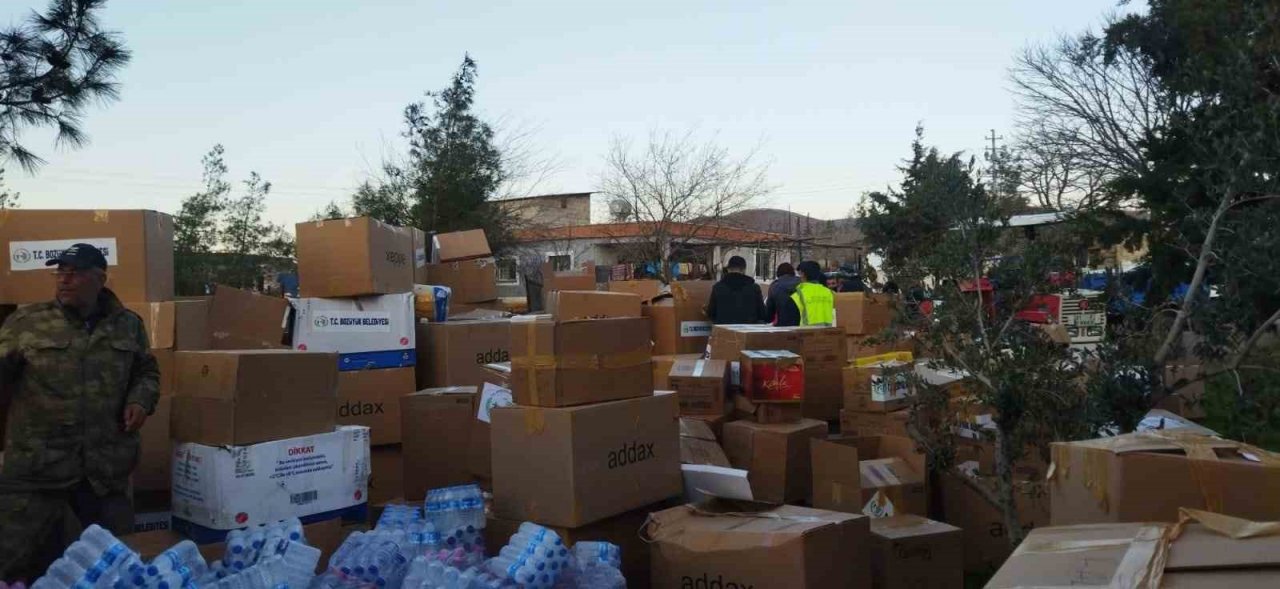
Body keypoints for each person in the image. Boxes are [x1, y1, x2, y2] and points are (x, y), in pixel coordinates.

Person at [0, 244, 159, 581]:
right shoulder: (26, 323)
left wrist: (140, 401)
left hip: (104, 468)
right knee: (11, 560)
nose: (64, 279)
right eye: (60, 272)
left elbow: (146, 372)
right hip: (38, 468)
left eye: (75, 272)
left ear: (100, 278)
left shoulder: (128, 325)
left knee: (120, 562)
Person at [706, 255, 766, 324]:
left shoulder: (717, 288)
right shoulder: (754, 288)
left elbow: (711, 313)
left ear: (728, 269)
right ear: (744, 270)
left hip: (724, 331)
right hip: (747, 331)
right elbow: (762, 313)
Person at [792, 260, 836, 326]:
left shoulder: (799, 294)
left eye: (800, 273)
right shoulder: (830, 293)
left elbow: (792, 318)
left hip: (806, 334)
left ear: (803, 274)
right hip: (828, 333)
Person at [765, 262, 802, 326]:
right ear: (792, 272)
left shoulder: (775, 286)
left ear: (778, 273)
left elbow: (769, 313)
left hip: (782, 326)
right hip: (802, 325)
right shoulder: (802, 283)